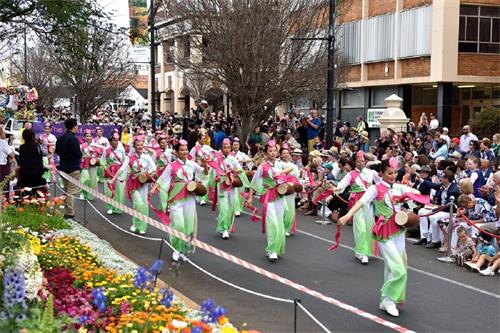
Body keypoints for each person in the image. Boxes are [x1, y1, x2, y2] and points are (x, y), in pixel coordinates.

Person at [338, 158, 423, 317]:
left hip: (399, 231)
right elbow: (361, 202)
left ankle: (386, 299)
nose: (393, 176)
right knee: (398, 270)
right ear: (381, 173)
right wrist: (347, 215)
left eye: (395, 172)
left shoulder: (398, 187)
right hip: (384, 233)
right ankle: (389, 299)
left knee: (396, 267)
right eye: (389, 173)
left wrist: (415, 196)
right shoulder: (375, 189)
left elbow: (416, 194)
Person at [150, 139, 206, 262]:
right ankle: (177, 249)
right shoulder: (172, 165)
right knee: (178, 224)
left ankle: (184, 249)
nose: (185, 151)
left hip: (189, 197)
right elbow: (162, 178)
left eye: (186, 149)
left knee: (188, 224)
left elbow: (203, 173)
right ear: (176, 152)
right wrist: (154, 189)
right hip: (176, 198)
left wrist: (206, 166)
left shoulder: (192, 164)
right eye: (182, 150)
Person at [247, 140, 294, 261]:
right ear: (266, 153)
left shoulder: (279, 164)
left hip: (279, 197)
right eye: (270, 151)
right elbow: (253, 183)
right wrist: (250, 197)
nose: (273, 153)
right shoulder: (262, 167)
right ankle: (272, 250)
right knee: (272, 223)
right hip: (268, 197)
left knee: (279, 223)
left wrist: (280, 172)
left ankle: (276, 248)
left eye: (274, 151)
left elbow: (291, 168)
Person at [329, 152, 379, 264]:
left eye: (362, 161)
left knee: (368, 227)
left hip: (369, 202)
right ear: (354, 162)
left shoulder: (371, 172)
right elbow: (342, 185)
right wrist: (334, 189)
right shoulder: (350, 174)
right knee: (359, 227)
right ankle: (362, 253)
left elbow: (381, 182)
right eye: (358, 161)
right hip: (356, 203)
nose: (361, 163)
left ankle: (362, 250)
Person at [208, 138, 247, 239]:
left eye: (228, 147)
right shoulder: (217, 160)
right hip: (221, 185)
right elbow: (212, 173)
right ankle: (224, 228)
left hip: (231, 186)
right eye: (225, 147)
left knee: (231, 207)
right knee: (224, 208)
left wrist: (235, 171)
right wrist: (214, 181)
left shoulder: (233, 159)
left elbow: (239, 170)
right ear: (221, 149)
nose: (227, 149)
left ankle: (227, 227)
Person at [126, 137, 156, 235]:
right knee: (138, 204)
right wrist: (117, 178)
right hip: (134, 184)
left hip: (143, 185)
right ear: (134, 146)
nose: (140, 147)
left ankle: (142, 226)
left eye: (141, 145)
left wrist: (148, 175)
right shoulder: (130, 157)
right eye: (138, 145)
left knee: (143, 205)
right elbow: (123, 168)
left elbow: (153, 169)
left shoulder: (147, 157)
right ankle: (135, 224)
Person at [55, 118, 83, 220]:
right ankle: (70, 214)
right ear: (74, 126)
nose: (77, 128)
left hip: (63, 167)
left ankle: (67, 212)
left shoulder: (60, 138)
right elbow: (78, 154)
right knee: (71, 192)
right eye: (76, 126)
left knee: (66, 191)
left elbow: (57, 151)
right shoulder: (73, 139)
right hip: (73, 168)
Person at [101, 133, 128, 215]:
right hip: (110, 171)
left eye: (116, 140)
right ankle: (110, 207)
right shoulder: (106, 150)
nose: (115, 142)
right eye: (113, 140)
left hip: (119, 171)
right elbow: (102, 160)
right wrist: (106, 168)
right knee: (109, 190)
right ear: (110, 141)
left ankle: (118, 208)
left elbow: (124, 160)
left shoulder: (121, 149)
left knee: (119, 190)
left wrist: (123, 171)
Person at [279, 146, 301, 236]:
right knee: (283, 209)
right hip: (280, 189)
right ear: (280, 154)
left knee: (290, 210)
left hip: (290, 190)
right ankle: (279, 227)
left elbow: (297, 177)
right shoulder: (277, 164)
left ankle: (286, 228)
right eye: (283, 153)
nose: (286, 155)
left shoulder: (294, 166)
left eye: (287, 153)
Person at [79, 129, 99, 200]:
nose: (88, 137)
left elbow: (98, 155)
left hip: (93, 164)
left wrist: (95, 159)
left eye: (90, 136)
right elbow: (79, 155)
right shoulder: (81, 146)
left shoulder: (95, 145)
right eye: (87, 136)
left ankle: (90, 195)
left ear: (92, 137)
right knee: (84, 179)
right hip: (85, 164)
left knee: (92, 180)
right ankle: (83, 193)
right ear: (84, 137)